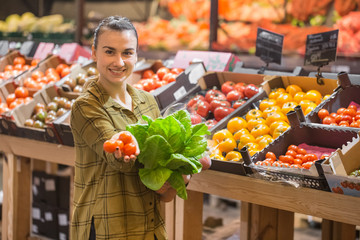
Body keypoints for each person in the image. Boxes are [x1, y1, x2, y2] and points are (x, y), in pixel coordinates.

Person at [70, 16, 183, 240]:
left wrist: (179, 169)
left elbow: (161, 168)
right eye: (109, 52)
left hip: (149, 224)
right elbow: (115, 157)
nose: (119, 62)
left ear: (137, 55)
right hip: (107, 226)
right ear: (94, 53)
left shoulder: (148, 101)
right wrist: (126, 151)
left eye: (127, 53)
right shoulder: (85, 106)